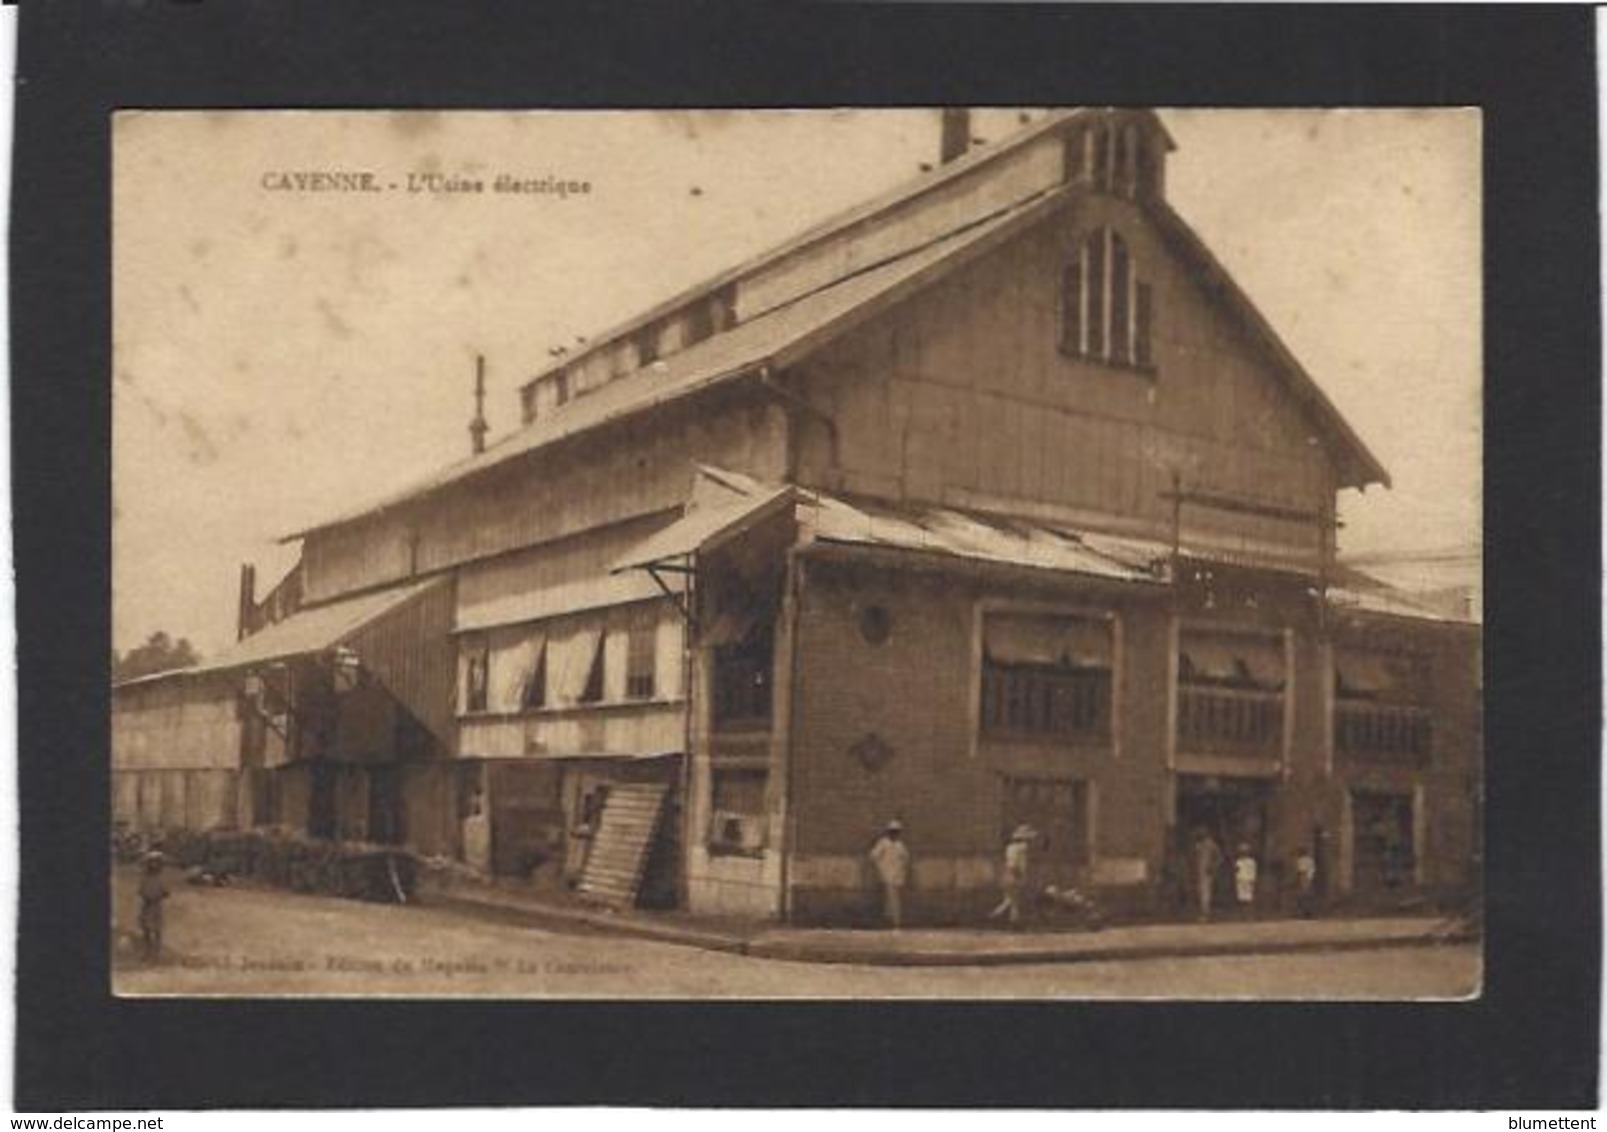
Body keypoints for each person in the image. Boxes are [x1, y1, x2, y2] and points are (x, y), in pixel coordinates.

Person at [989, 825, 1036, 929]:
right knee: (1015, 902)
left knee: (1009, 900)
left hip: (1006, 873)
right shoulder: (1023, 848)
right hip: (1015, 874)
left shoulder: (1009, 847)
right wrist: (1023, 877)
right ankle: (1015, 923)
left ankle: (993, 917)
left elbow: (1010, 862)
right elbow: (1022, 864)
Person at [867, 820, 911, 929]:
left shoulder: (900, 845)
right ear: (888, 832)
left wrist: (902, 870)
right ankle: (894, 921)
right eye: (892, 831)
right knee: (891, 899)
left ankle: (891, 921)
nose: (894, 834)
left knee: (892, 899)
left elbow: (906, 858)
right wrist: (880, 867)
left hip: (897, 876)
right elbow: (873, 856)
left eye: (896, 832)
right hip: (886, 875)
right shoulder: (883, 843)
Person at [138, 850, 170, 960]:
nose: (153, 865)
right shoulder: (145, 878)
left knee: (157, 929)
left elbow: (166, 892)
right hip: (146, 906)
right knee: (145, 929)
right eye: (151, 863)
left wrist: (158, 896)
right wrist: (145, 897)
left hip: (156, 906)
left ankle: (157, 952)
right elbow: (140, 891)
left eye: (156, 863)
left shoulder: (161, 878)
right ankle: (147, 950)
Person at [1191, 829, 1224, 921]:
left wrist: (1213, 867)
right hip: (1199, 871)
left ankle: (1205, 913)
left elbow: (1220, 858)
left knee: (1205, 892)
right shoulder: (1199, 845)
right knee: (1201, 892)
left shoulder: (1211, 844)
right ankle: (1204, 912)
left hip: (1207, 872)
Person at [1233, 842, 1258, 916]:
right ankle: (1243, 914)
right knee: (1242, 898)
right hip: (1241, 880)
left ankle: (1249, 914)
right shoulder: (1238, 862)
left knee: (1249, 897)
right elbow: (1236, 871)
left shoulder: (1251, 862)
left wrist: (1253, 880)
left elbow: (1253, 871)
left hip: (1248, 880)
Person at [1293, 846, 1318, 918]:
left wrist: (1301, 880)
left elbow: (1302, 871)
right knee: (1307, 896)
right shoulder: (1310, 860)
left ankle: (1305, 912)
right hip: (1310, 878)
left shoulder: (1301, 860)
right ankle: (1307, 912)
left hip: (1304, 878)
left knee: (1303, 896)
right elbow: (1313, 870)